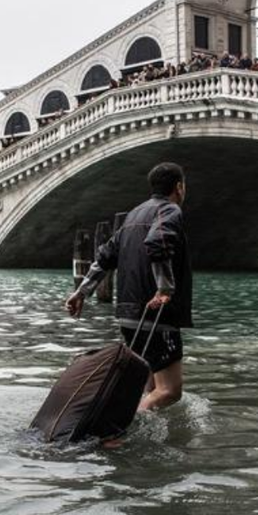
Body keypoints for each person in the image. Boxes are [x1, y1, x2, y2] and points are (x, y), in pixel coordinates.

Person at [65, 162, 192, 411]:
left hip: (128, 315)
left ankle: (141, 434)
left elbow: (105, 257)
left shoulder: (134, 214)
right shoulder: (170, 211)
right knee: (169, 391)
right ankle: (123, 425)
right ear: (179, 187)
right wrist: (164, 288)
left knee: (149, 386)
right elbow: (158, 242)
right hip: (156, 313)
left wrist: (81, 292)